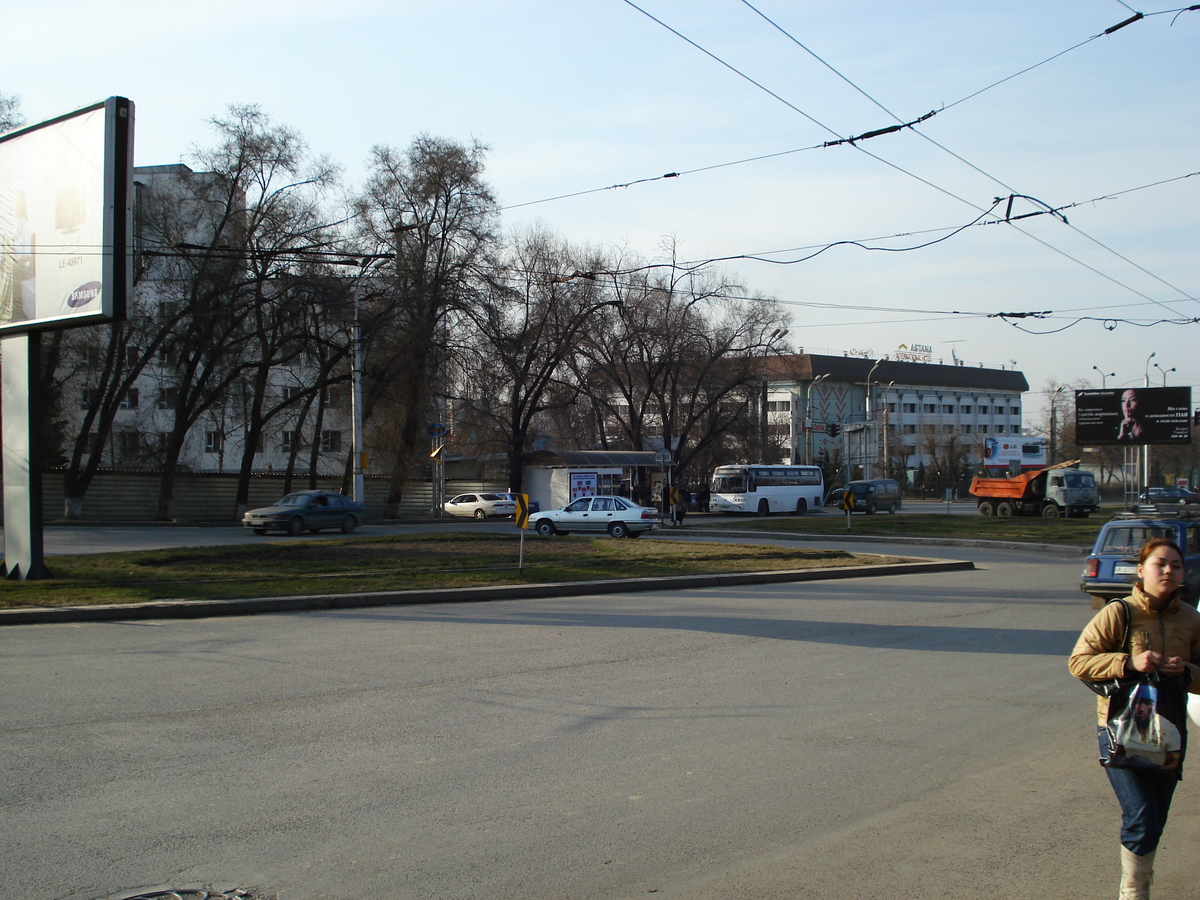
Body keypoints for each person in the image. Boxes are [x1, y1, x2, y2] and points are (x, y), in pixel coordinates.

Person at [1068, 538, 1200, 899]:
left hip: (1169, 733)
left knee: (1154, 820)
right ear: (1141, 571)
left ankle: (1139, 882)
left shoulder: (1191, 620)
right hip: (1121, 730)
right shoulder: (1119, 612)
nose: (1169, 571)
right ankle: (1132, 893)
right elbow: (1078, 662)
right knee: (1141, 815)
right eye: (1160, 564)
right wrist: (1129, 662)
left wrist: (1185, 670)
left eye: (1176, 565)